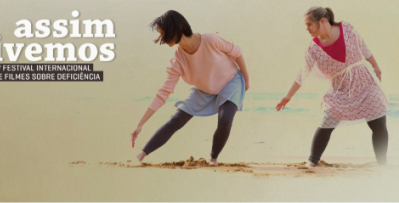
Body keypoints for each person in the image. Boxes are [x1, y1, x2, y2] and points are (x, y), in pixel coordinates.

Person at [131, 10, 250, 165]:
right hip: (204, 90)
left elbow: (237, 52)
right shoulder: (178, 60)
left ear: (175, 28)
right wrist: (140, 124)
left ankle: (213, 158)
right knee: (176, 120)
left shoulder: (211, 40)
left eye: (163, 34)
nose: (162, 40)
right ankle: (141, 155)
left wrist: (246, 79)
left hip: (231, 82)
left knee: (225, 118)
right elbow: (163, 93)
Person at [276, 7, 389, 167]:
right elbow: (303, 73)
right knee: (327, 121)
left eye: (309, 24)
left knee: (378, 121)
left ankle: (382, 164)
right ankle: (312, 162)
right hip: (340, 90)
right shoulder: (313, 48)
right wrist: (288, 96)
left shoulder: (347, 28)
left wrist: (376, 66)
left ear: (322, 21)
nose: (307, 29)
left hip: (365, 83)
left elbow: (363, 47)